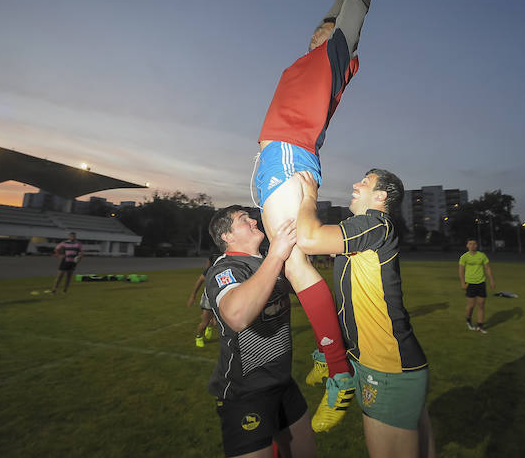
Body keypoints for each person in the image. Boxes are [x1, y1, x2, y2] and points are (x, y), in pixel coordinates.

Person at [254, 0, 426, 432]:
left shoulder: (335, 56)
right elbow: (343, 1)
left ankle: (337, 370)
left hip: (288, 154)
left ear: (341, 45)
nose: (317, 30)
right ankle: (333, 359)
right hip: (272, 158)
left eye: (328, 28)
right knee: (292, 262)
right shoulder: (316, 52)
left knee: (297, 252)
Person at [295, 170, 435, 458]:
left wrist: (309, 196)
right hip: (390, 363)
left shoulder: (375, 224)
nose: (355, 185)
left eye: (365, 182)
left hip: (387, 367)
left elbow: (309, 239)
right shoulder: (366, 227)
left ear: (381, 196)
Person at [204, 205, 315, 458]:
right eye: (244, 219)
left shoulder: (266, 261)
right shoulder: (226, 268)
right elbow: (237, 316)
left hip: (283, 382)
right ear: (227, 236)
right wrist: (276, 256)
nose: (254, 221)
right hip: (246, 392)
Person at [458, 238, 496, 334]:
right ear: (467, 245)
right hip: (470, 283)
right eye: (470, 244)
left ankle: (480, 325)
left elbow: (487, 268)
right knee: (471, 305)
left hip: (481, 283)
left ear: (477, 245)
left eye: (474, 244)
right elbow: (461, 271)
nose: (472, 245)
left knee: (481, 305)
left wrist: (491, 280)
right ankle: (468, 320)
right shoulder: (464, 257)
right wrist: (463, 283)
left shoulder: (482, 255)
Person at [188, 258, 218, 347]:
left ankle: (211, 324)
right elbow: (200, 281)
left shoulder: (229, 268)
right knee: (204, 322)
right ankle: (199, 337)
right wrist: (193, 296)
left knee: (218, 323)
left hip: (220, 298)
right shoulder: (211, 269)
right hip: (208, 299)